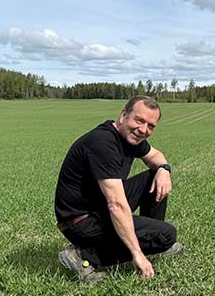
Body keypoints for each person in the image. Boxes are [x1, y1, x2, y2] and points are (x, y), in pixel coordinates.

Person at [55, 95, 181, 283]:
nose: (143, 130)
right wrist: (136, 253)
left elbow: (155, 154)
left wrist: (164, 169)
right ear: (123, 115)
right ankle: (83, 256)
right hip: (80, 221)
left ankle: (153, 246)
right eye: (139, 120)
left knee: (153, 176)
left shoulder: (130, 139)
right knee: (168, 234)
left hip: (97, 207)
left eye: (150, 126)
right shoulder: (104, 142)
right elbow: (116, 204)